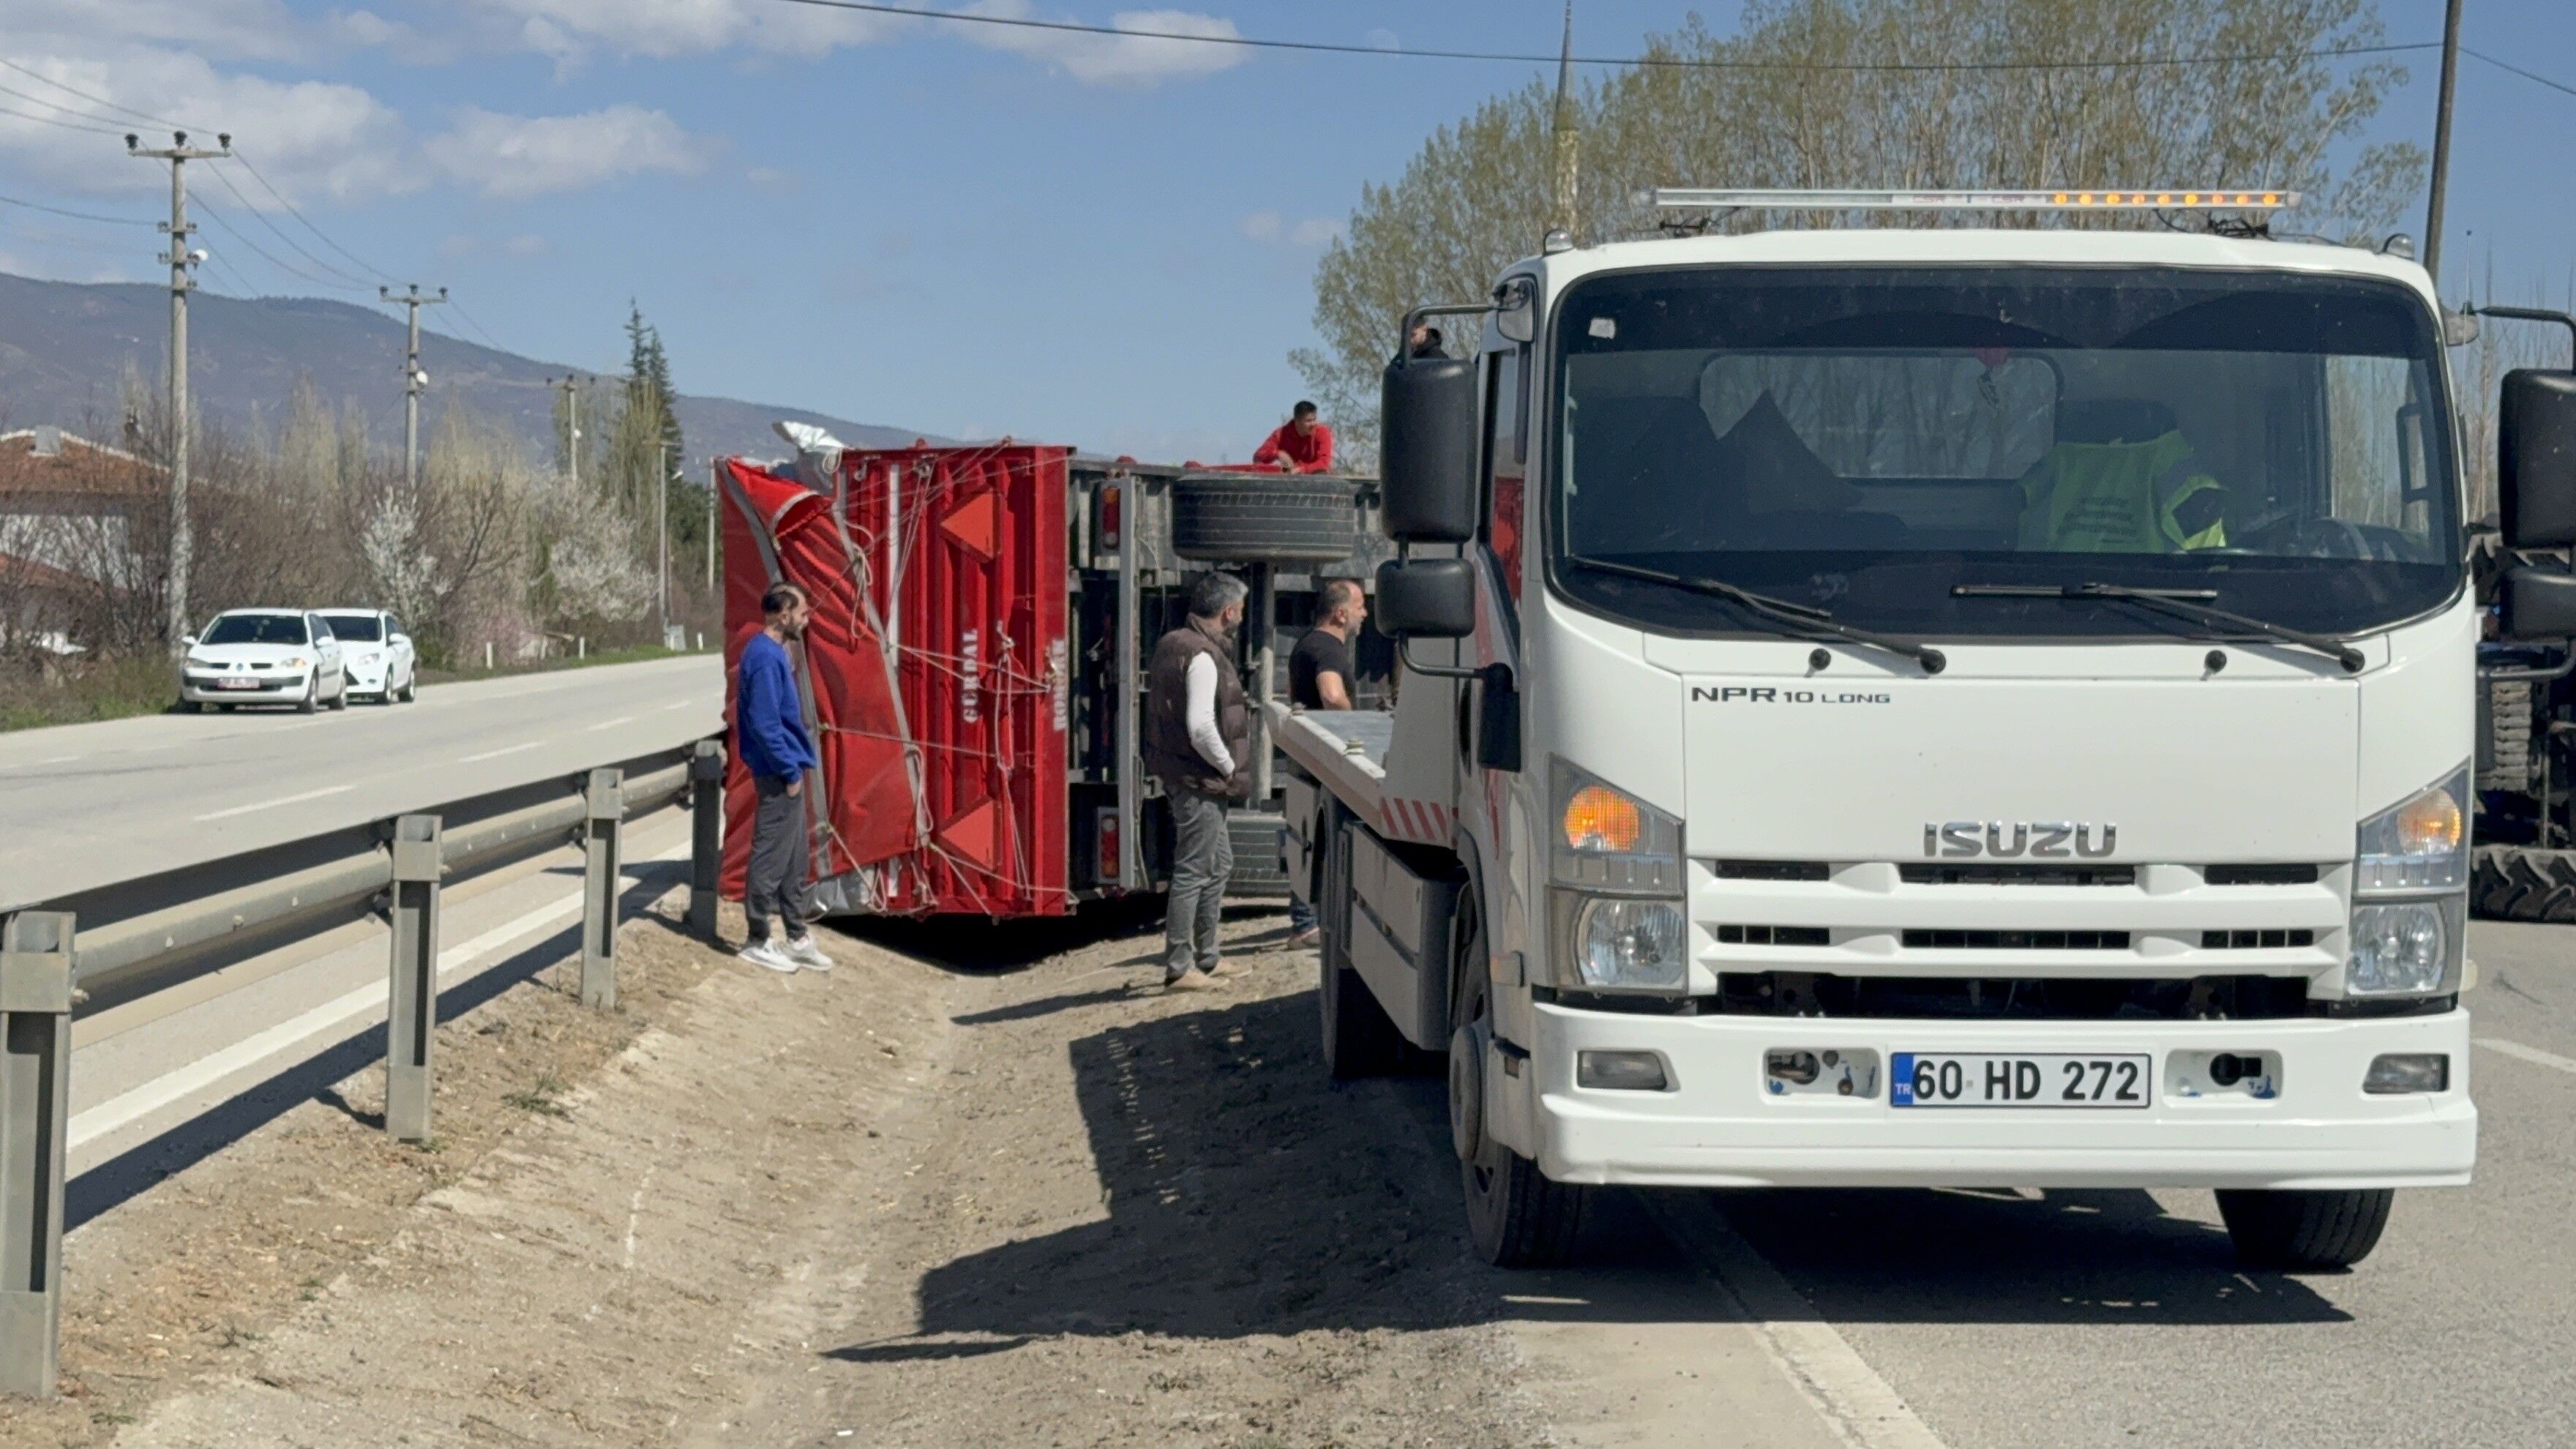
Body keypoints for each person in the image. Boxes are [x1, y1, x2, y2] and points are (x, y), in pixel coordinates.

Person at [1145, 571, 1251, 992]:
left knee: (1219, 863)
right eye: (1240, 611)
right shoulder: (1204, 657)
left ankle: (1207, 957)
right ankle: (1180, 965)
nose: (1242, 617)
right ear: (1228, 612)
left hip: (1184, 773)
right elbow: (1201, 727)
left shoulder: (1173, 643)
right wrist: (1228, 767)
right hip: (1201, 780)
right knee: (1193, 869)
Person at [735, 583, 834, 974]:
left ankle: (796, 937)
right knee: (770, 856)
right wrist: (789, 769)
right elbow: (763, 722)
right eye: (803, 613)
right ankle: (757, 939)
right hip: (779, 774)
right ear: (783, 614)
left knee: (794, 859)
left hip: (789, 770)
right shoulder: (762, 657)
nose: (808, 619)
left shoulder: (775, 653)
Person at [1283, 578, 1367, 947]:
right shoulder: (1331, 650)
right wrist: (1352, 724)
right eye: (1360, 606)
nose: (1364, 614)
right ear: (1340, 613)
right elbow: (1332, 695)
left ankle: (1304, 920)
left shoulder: (1305, 645)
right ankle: (1306, 924)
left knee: (1305, 835)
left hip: (1308, 755)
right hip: (1327, 760)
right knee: (1322, 836)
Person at [1252, 401, 1336, 474]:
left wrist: (1301, 470)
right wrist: (1277, 454)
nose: (1313, 424)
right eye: (1309, 421)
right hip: (1289, 481)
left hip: (1315, 481)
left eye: (1314, 420)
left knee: (1321, 473)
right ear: (1297, 421)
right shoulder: (1281, 434)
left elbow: (1324, 463)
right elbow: (1258, 457)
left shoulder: (1322, 433)